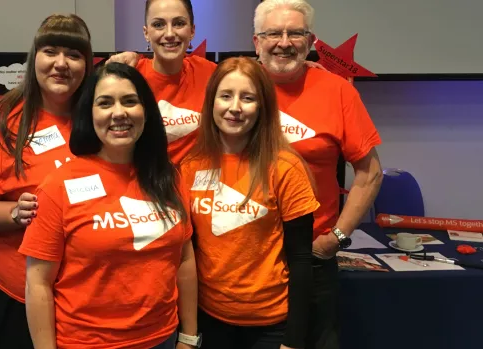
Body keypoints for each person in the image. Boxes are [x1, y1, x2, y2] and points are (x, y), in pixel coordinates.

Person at [18, 62, 199, 349]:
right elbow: (37, 283)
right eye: (105, 103)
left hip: (162, 338)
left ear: (146, 111)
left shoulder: (168, 177)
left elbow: (185, 259)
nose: (119, 113)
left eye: (130, 101)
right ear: (89, 114)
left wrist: (189, 337)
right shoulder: (58, 186)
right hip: (86, 343)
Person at [0, 14, 93, 349]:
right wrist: (14, 212)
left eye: (73, 54)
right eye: (50, 51)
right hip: (11, 293)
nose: (61, 64)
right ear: (33, 57)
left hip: (82, 297)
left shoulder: (99, 119)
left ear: (87, 63)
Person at [253, 1, 384, 348]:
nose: (284, 42)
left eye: (295, 33)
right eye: (273, 33)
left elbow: (370, 173)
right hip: (242, 257)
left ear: (310, 41)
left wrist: (335, 239)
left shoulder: (337, 91)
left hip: (310, 257)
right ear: (256, 42)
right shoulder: (234, 86)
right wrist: (129, 59)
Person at [180, 56, 319, 349]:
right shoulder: (192, 165)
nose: (235, 107)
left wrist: (293, 341)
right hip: (209, 318)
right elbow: (187, 253)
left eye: (248, 98)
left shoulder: (284, 167)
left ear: (262, 107)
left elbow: (302, 260)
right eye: (226, 96)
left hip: (270, 325)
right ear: (212, 102)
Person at [108, 0, 326, 167]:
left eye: (179, 23)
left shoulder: (212, 74)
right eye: (158, 24)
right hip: (143, 193)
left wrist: (296, 61)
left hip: (200, 197)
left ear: (192, 30)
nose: (169, 33)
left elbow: (248, 73)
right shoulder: (128, 78)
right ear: (146, 32)